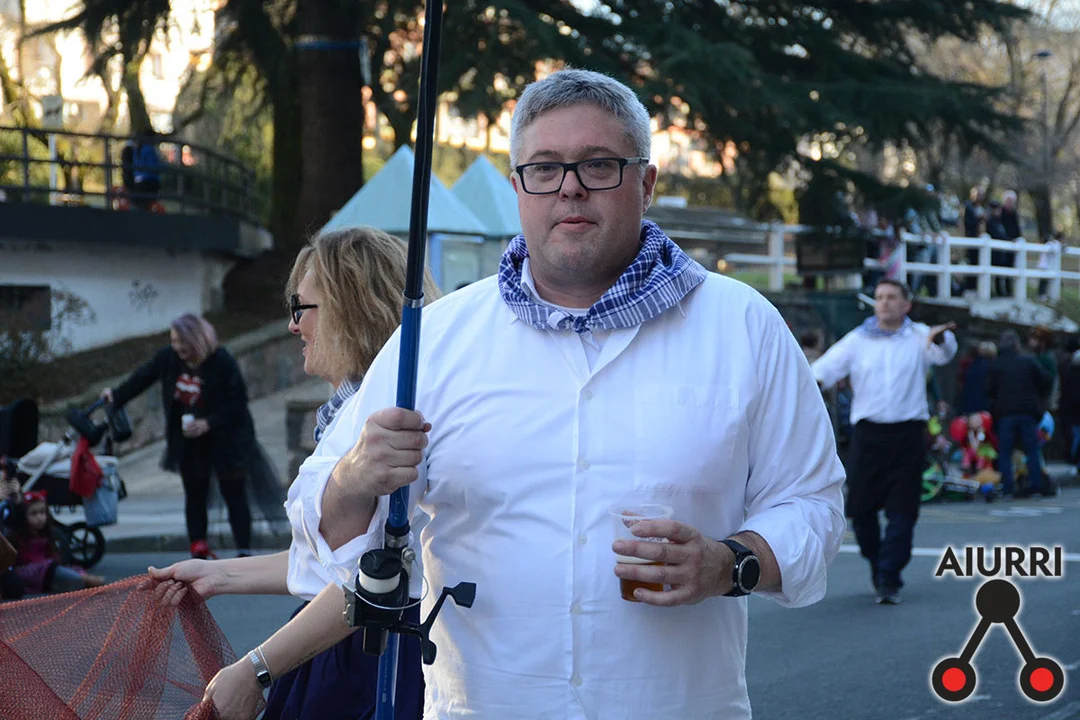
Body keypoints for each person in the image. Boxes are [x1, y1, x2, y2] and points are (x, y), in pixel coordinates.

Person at [196, 68, 847, 720]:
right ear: (517, 188)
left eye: (599, 165)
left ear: (646, 184)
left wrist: (729, 564)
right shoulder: (437, 339)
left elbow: (811, 505)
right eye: (544, 168)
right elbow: (319, 531)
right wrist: (354, 476)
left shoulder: (742, 326)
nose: (570, 187)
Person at [150, 228, 439, 719]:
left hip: (371, 662)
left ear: (348, 310)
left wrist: (256, 668)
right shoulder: (356, 408)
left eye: (300, 307)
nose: (292, 324)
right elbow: (329, 564)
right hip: (351, 652)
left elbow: (374, 577)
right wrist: (217, 575)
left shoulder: (390, 420)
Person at [812, 279, 957, 604]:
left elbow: (944, 353)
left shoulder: (919, 335)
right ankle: (878, 563)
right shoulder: (858, 339)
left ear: (907, 304)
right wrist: (805, 385)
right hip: (868, 435)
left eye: (892, 297)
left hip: (908, 434)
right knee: (861, 510)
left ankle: (890, 574)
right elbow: (822, 371)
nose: (884, 302)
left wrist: (942, 338)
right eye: (879, 297)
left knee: (903, 509)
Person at [102, 313, 275, 559]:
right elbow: (142, 377)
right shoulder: (169, 358)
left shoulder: (221, 361)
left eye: (182, 341)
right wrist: (116, 395)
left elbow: (237, 403)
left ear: (197, 339)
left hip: (227, 441)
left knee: (234, 493)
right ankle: (198, 549)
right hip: (189, 443)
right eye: (174, 341)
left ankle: (243, 551)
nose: (177, 347)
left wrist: (208, 423)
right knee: (195, 494)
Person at [987, 330, 1052, 498]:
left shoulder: (997, 364)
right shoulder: (1028, 361)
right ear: (1016, 344)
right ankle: (1036, 485)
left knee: (1005, 450)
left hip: (1005, 412)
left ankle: (1008, 487)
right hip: (1027, 410)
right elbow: (1045, 380)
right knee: (1031, 449)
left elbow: (990, 389)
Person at [11, 491, 104, 593]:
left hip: (48, 569)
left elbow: (51, 555)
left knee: (69, 570)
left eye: (42, 513)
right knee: (56, 570)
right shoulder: (19, 536)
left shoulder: (47, 533)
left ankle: (85, 580)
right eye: (34, 514)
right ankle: (86, 581)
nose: (39, 517)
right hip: (31, 572)